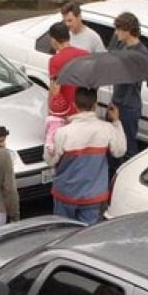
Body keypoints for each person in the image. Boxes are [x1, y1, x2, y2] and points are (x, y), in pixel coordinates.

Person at [44, 87, 126, 225]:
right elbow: (120, 151)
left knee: (62, 234)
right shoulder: (106, 129)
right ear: (95, 105)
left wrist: (50, 133)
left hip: (65, 194)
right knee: (87, 238)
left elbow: (49, 160)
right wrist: (116, 122)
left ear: (74, 105)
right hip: (93, 196)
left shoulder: (63, 132)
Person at [109, 12, 148, 161]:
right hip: (117, 102)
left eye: (118, 29)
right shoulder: (122, 45)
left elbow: (132, 80)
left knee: (127, 146)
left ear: (128, 30)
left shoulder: (141, 52)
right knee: (115, 144)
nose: (116, 32)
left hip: (128, 106)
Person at [47, 21, 88, 118]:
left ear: (53, 40)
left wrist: (51, 113)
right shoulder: (85, 54)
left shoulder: (55, 60)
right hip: (85, 110)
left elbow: (55, 91)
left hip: (67, 112)